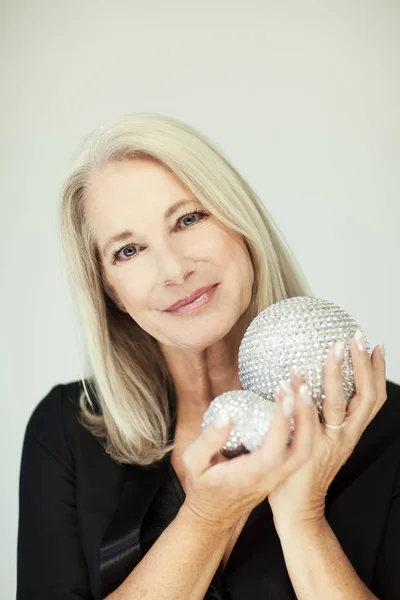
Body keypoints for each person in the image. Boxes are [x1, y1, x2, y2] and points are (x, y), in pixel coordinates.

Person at [17, 113, 400, 600]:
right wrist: (206, 520)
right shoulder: (67, 431)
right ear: (109, 290)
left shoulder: (386, 425)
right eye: (129, 250)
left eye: (189, 219)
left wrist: (304, 521)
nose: (174, 269)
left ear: (241, 223)